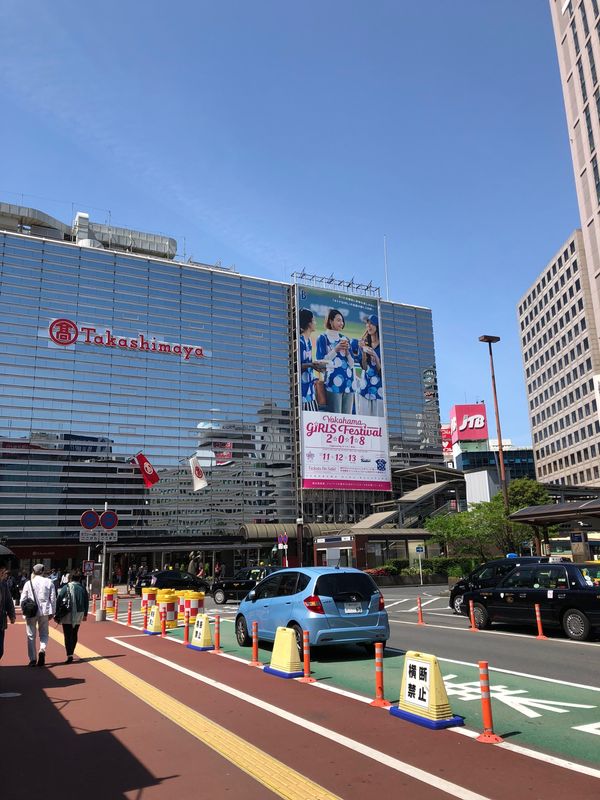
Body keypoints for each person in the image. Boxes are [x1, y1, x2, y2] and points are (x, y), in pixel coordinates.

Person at [315, 309, 354, 414]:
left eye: (342, 321)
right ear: (330, 321)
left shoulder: (345, 338)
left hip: (348, 384)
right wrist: (336, 349)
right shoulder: (323, 338)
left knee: (348, 420)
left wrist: (347, 352)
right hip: (332, 384)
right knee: (335, 418)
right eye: (338, 320)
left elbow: (351, 364)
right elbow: (320, 362)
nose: (341, 323)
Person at [20, 564, 56, 667]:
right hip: (44, 611)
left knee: (31, 635)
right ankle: (42, 649)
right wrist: (52, 612)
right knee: (44, 633)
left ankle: (32, 659)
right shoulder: (49, 582)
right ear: (43, 571)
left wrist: (24, 611)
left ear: (33, 571)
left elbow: (23, 599)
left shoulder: (28, 583)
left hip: (31, 612)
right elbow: (53, 599)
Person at [55, 569, 89, 664]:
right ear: (79, 579)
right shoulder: (82, 588)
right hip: (79, 613)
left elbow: (59, 599)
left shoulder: (66, 587)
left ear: (70, 578)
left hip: (67, 613)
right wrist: (85, 614)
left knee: (67, 634)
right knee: (74, 633)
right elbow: (86, 602)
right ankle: (72, 651)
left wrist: (56, 612)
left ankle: (69, 654)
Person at [357, 314, 384, 417]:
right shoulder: (365, 343)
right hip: (364, 389)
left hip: (379, 392)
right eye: (367, 323)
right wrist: (363, 351)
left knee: (379, 426)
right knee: (365, 424)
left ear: (377, 325)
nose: (369, 326)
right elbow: (364, 367)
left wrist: (376, 357)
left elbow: (382, 373)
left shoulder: (383, 346)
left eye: (372, 323)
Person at [299, 308, 323, 410]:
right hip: (302, 394)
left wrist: (314, 365)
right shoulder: (300, 342)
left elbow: (308, 364)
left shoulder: (308, 341)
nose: (315, 323)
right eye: (314, 320)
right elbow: (296, 366)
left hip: (310, 391)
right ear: (309, 323)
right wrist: (311, 365)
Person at [0, 561, 16, 662]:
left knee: (0, 650)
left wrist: (12, 615)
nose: (3, 574)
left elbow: (8, 601)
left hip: (0, 620)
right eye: (1, 571)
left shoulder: (4, 584)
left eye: (3, 571)